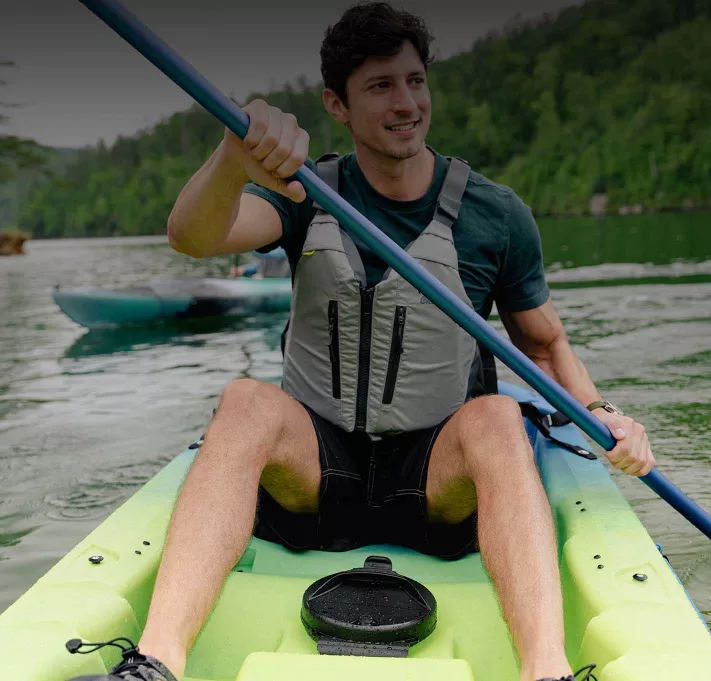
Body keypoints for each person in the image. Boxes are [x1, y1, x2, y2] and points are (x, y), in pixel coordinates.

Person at [71, 4, 654, 681]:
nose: (405, 102)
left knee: (499, 416)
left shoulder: (496, 214)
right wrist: (232, 161)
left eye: (414, 81)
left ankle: (546, 671)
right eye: (380, 86)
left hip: (435, 482)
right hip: (319, 476)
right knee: (244, 399)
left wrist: (605, 413)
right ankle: (155, 663)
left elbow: (545, 344)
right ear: (337, 105)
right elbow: (193, 237)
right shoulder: (303, 194)